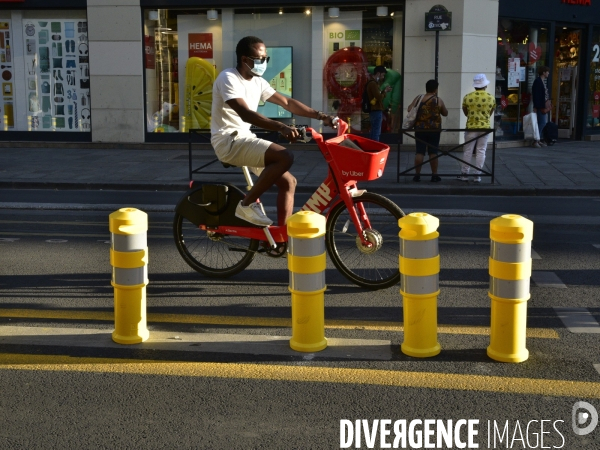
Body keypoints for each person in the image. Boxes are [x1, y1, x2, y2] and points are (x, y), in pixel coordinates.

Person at [211, 36, 336, 227]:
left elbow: (287, 103)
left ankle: (282, 236)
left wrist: (322, 116)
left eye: (266, 59)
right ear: (245, 59)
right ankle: (246, 205)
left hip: (244, 139)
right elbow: (246, 114)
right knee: (284, 156)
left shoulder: (258, 82)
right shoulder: (228, 78)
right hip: (228, 142)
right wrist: (281, 127)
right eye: (260, 59)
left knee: (288, 183)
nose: (264, 63)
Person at [407, 79, 448, 182]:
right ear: (436, 89)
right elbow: (445, 113)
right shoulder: (438, 100)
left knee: (419, 152)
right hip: (434, 130)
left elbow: (409, 109)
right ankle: (434, 175)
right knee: (433, 152)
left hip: (420, 129)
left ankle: (417, 175)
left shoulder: (419, 98)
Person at [459, 73, 496, 183]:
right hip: (485, 127)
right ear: (485, 85)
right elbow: (490, 113)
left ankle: (464, 174)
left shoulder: (468, 97)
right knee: (481, 151)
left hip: (471, 126)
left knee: (468, 151)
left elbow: (466, 112)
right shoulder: (491, 98)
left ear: (475, 85)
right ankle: (477, 175)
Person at [367, 66, 392, 142]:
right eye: (383, 75)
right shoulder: (373, 84)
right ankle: (374, 149)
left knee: (374, 131)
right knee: (376, 132)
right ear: (378, 73)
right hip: (376, 110)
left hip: (374, 110)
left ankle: (372, 148)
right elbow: (379, 97)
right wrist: (385, 92)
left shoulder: (372, 83)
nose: (383, 77)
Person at [531, 65, 550, 148]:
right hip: (540, 106)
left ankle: (538, 139)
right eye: (547, 72)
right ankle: (536, 140)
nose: (548, 73)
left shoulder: (542, 81)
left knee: (542, 122)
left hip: (543, 105)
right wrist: (536, 106)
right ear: (543, 73)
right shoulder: (538, 81)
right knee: (542, 122)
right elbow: (536, 95)